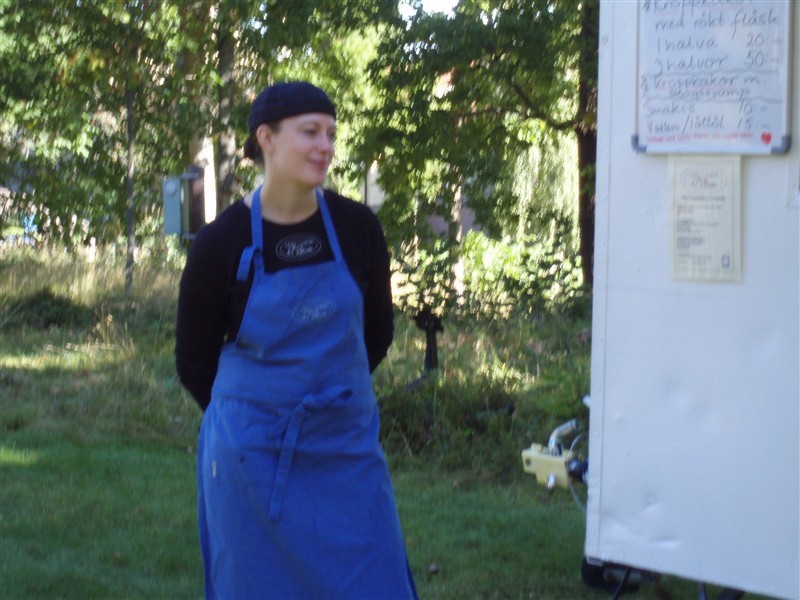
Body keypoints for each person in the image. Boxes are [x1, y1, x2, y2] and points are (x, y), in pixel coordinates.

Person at [175, 81, 418, 599]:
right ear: (266, 138)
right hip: (251, 456)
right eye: (310, 132)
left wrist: (327, 396)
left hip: (345, 447)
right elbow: (193, 360)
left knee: (375, 581)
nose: (325, 146)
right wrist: (254, 413)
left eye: (330, 133)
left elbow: (377, 333)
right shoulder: (221, 242)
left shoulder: (357, 228)